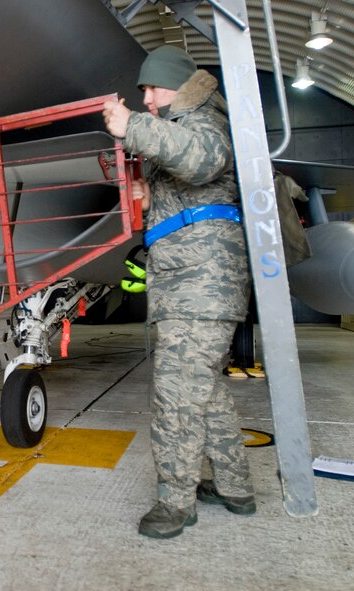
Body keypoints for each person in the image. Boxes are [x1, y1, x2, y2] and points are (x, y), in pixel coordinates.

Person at [103, 45, 256, 538]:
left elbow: (204, 159)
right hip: (192, 285)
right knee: (205, 394)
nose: (145, 98)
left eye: (151, 88)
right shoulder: (183, 124)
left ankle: (175, 504)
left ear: (175, 83)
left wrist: (133, 127)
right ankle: (234, 487)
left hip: (201, 287)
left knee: (175, 398)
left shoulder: (203, 120)